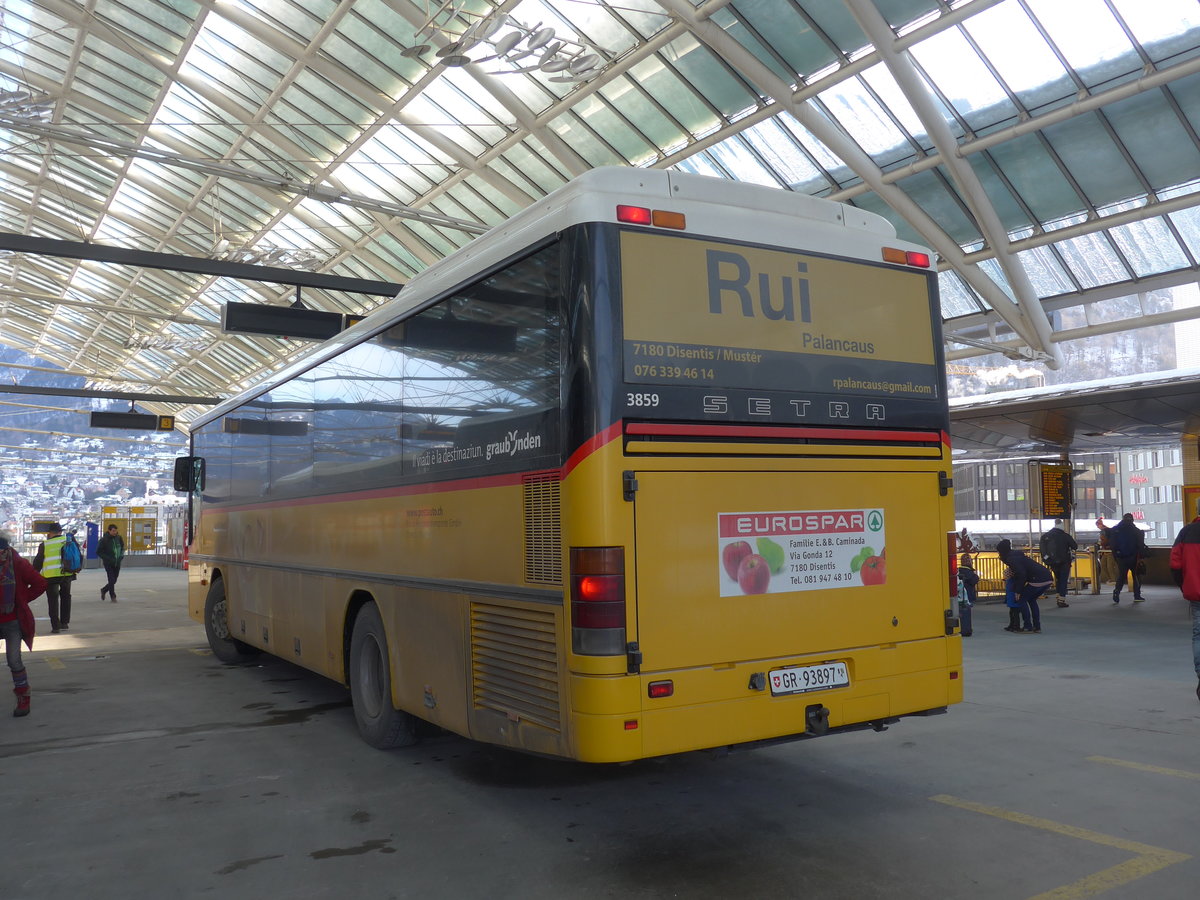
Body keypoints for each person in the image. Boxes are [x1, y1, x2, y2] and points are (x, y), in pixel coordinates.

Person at [0, 533, 48, 717]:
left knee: (14, 660)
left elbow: (40, 583)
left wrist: (22, 600)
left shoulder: (18, 563)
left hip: (12, 620)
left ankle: (23, 695)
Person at [1169, 498, 1200, 703]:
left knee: (1199, 634)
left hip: (1196, 593)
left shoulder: (1186, 532)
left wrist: (1185, 585)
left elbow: (1175, 563)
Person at [996, 539, 1053, 633]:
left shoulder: (1011, 559)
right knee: (1031, 600)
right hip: (1047, 577)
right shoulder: (1017, 556)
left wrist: (1018, 591)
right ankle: (1037, 626)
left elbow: (1021, 574)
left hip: (1037, 579)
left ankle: (1028, 626)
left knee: (1021, 600)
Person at [33, 522, 75, 633]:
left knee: (53, 600)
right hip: (66, 574)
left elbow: (38, 562)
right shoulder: (68, 540)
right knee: (66, 597)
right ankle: (64, 623)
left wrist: (32, 576)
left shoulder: (45, 544)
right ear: (60, 532)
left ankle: (55, 626)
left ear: (50, 533)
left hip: (50, 576)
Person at [1109, 513, 1148, 604]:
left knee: (1121, 576)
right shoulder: (1136, 530)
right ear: (1132, 520)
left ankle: (1117, 592)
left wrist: (1116, 556)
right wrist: (1141, 556)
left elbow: (1112, 544)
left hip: (1121, 558)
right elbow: (1140, 545)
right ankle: (1137, 595)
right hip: (1134, 557)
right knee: (1136, 576)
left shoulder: (1115, 530)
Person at [1039, 519, 1078, 608]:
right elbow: (1074, 546)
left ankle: (1058, 596)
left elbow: (1042, 550)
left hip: (1052, 562)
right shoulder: (1065, 536)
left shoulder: (1045, 536)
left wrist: (1047, 559)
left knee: (1058, 579)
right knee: (1063, 580)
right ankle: (1061, 599)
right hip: (1064, 562)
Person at [97, 523, 125, 602]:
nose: (115, 532)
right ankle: (113, 596)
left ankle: (104, 590)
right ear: (109, 531)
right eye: (113, 531)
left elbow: (122, 547)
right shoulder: (104, 540)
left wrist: (121, 555)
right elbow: (98, 551)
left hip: (117, 563)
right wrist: (107, 558)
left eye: (116, 531)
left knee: (114, 580)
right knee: (111, 580)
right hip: (108, 563)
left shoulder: (119, 538)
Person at [956, 553, 978, 637]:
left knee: (961, 613)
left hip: (960, 595)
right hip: (968, 595)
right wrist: (976, 576)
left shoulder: (959, 571)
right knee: (966, 613)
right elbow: (973, 581)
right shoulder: (969, 572)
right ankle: (966, 629)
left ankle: (962, 628)